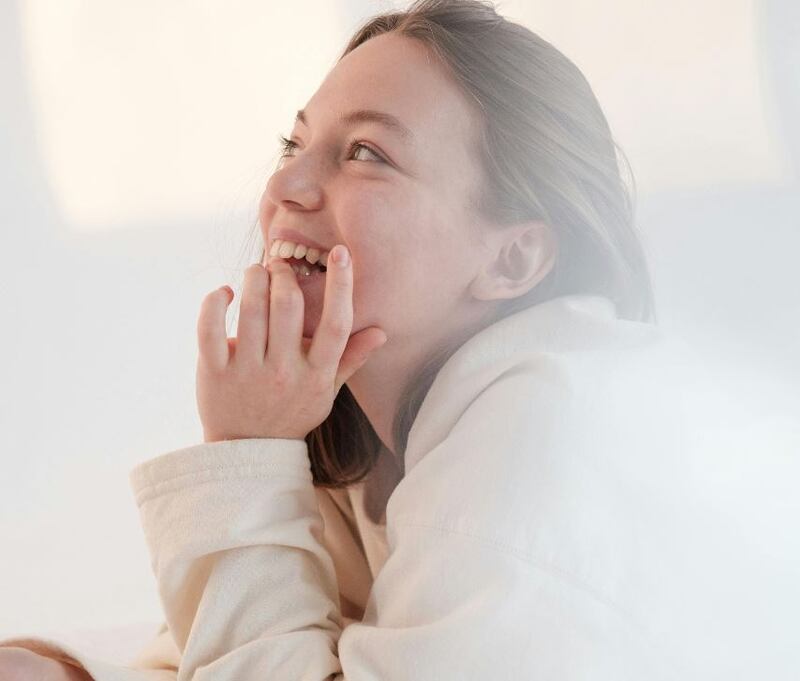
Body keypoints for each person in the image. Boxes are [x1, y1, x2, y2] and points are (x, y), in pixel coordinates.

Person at [0, 0, 780, 679]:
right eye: (292, 145)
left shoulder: (542, 447)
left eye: (366, 153)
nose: (283, 190)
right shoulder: (376, 451)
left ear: (512, 257)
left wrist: (240, 452)